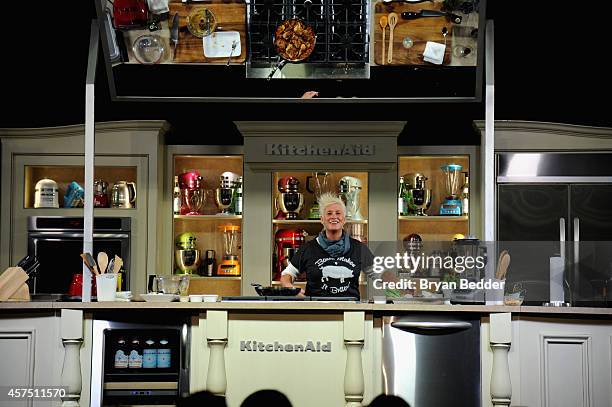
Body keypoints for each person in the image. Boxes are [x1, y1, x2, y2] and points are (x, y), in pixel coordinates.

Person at [280, 192, 374, 298]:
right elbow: (286, 275)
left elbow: (380, 274)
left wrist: (394, 285)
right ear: (322, 219)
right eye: (329, 213)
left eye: (338, 213)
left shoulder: (359, 248)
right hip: (316, 310)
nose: (333, 216)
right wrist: (290, 288)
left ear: (344, 219)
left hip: (350, 310)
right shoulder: (308, 248)